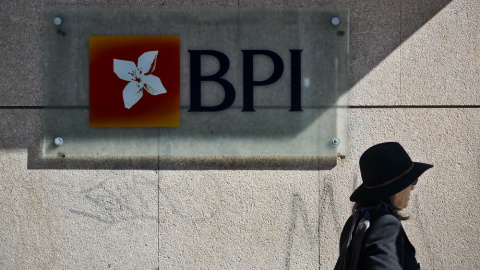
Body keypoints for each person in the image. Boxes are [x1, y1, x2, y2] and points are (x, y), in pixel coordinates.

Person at [334, 142, 433, 270]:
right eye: (412, 181)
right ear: (396, 187)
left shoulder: (356, 220)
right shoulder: (386, 224)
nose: (412, 188)